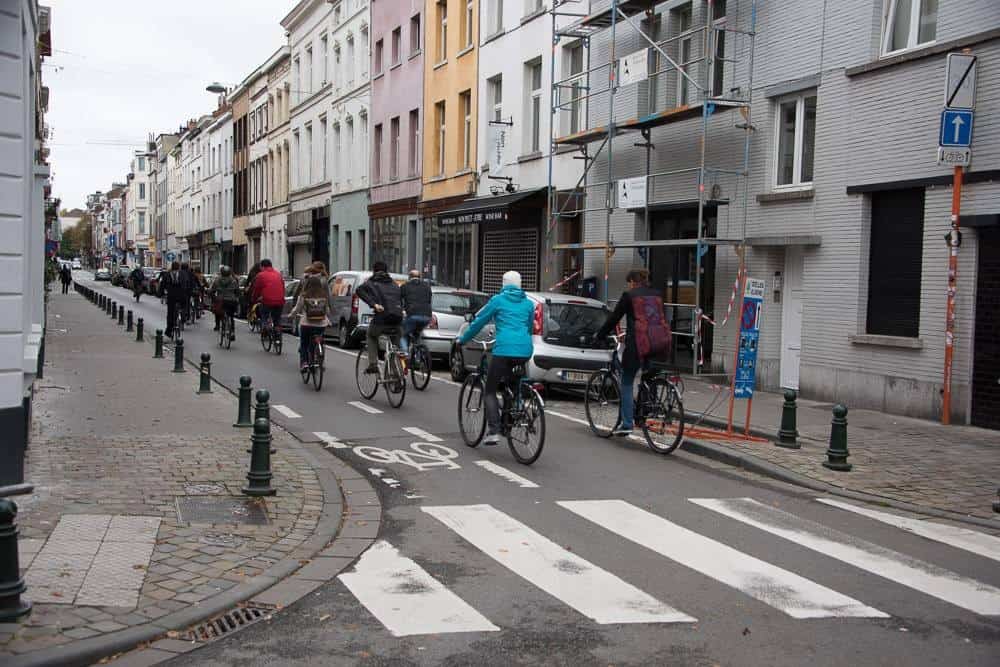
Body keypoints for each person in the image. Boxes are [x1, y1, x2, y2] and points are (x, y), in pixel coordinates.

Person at [456, 271, 534, 444]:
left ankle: (494, 430)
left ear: (504, 284)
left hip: (504, 349)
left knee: (490, 390)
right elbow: (529, 327)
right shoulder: (528, 304)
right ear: (520, 284)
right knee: (512, 385)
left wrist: (463, 339)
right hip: (525, 350)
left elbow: (479, 322)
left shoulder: (497, 300)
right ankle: (510, 419)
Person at [593, 268, 672, 436]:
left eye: (629, 283)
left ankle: (627, 423)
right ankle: (646, 412)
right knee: (648, 376)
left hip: (638, 344)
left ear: (632, 282)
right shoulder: (657, 295)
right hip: (658, 342)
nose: (628, 286)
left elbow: (614, 318)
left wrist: (600, 335)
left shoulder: (629, 296)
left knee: (627, 382)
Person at [356, 261, 404, 374]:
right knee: (395, 348)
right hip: (397, 319)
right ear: (386, 271)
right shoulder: (394, 283)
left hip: (382, 319)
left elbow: (359, 290)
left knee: (371, 335)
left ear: (374, 270)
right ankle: (397, 377)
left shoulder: (372, 282)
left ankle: (373, 364)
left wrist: (373, 304)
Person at [289, 274, 334, 370]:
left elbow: (297, 309)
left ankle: (304, 363)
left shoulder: (304, 295)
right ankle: (320, 359)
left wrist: (291, 315)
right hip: (321, 324)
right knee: (319, 339)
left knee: (304, 343)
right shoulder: (323, 295)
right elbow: (327, 311)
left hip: (306, 323)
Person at [400, 269, 433, 354]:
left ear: (409, 277)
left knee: (403, 334)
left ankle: (405, 355)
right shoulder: (427, 286)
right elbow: (429, 300)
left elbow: (399, 301)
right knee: (417, 333)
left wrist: (402, 309)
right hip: (427, 316)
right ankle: (418, 356)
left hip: (412, 315)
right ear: (419, 277)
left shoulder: (405, 286)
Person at [250, 258, 285, 333]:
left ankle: (265, 327)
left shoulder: (260, 275)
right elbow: (283, 287)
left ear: (262, 267)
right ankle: (278, 333)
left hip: (267, 301)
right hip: (280, 301)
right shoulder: (278, 274)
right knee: (277, 318)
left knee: (264, 314)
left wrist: (254, 299)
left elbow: (257, 289)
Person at [158, 261, 191, 338]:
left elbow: (162, 285)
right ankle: (184, 317)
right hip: (182, 296)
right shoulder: (183, 274)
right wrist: (188, 292)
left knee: (170, 314)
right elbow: (188, 284)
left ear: (172, 267)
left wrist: (161, 294)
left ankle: (169, 330)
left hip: (171, 296)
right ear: (178, 267)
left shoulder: (167, 274)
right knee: (184, 306)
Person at [210, 265, 241, 339]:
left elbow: (212, 291)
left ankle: (221, 327)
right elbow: (237, 292)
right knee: (231, 316)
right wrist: (237, 297)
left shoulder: (217, 280)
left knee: (221, 314)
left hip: (221, 301)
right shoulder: (234, 281)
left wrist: (214, 298)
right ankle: (232, 332)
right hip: (231, 301)